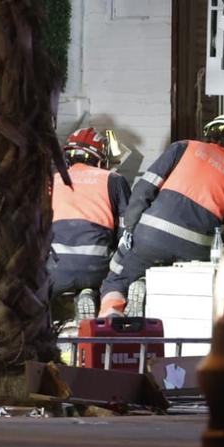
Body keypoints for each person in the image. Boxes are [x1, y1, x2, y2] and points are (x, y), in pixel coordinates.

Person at [99, 114, 224, 317]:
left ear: (209, 132)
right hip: (196, 250)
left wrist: (130, 229)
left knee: (116, 278)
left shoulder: (183, 147)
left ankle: (111, 322)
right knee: (172, 283)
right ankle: (145, 286)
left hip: (152, 235)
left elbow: (144, 189)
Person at [46, 127, 131, 321]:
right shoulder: (114, 180)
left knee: (46, 297)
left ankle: (58, 324)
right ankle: (90, 293)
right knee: (111, 281)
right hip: (96, 268)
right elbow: (127, 230)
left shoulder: (52, 180)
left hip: (56, 270)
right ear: (100, 159)